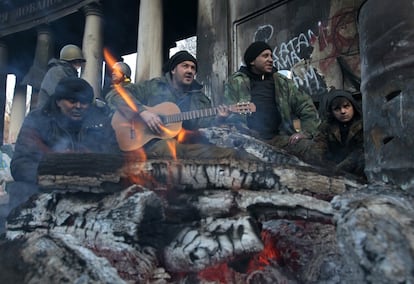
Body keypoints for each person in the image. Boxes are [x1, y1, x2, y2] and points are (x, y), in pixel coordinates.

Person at [106, 50, 253, 160]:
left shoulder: (200, 99)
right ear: (173, 69)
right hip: (151, 145)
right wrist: (143, 112)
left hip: (187, 146)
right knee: (169, 149)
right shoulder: (153, 86)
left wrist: (219, 119)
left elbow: (203, 126)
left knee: (230, 154)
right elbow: (115, 94)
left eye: (193, 68)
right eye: (185, 66)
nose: (190, 70)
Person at [8, 77, 120, 210]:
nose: (78, 106)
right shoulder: (38, 120)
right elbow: (20, 164)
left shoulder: (101, 123)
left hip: (90, 191)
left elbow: (114, 158)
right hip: (47, 191)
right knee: (22, 189)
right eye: (72, 101)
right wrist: (55, 176)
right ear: (58, 101)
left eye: (84, 102)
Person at [223, 41, 321, 161]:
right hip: (248, 141)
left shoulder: (282, 82)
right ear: (252, 61)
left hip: (279, 138)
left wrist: (305, 132)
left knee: (311, 148)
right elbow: (230, 115)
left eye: (271, 56)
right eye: (265, 56)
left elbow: (306, 106)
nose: (270, 59)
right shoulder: (235, 82)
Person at [311, 89, 365, 178]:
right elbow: (318, 148)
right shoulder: (326, 127)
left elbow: (361, 150)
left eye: (346, 106)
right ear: (331, 112)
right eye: (337, 109)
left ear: (353, 107)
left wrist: (338, 169)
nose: (343, 111)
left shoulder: (363, 125)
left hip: (358, 168)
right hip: (334, 166)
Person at [36, 44, 86, 108]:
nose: (79, 64)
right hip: (48, 113)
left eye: (79, 62)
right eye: (76, 61)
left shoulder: (68, 73)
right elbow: (63, 94)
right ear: (71, 61)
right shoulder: (57, 72)